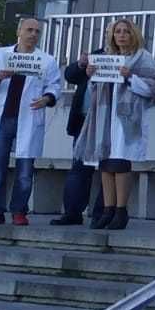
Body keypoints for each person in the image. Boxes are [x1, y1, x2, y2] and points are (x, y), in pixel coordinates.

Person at [72, 18, 155, 230]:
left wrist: (130, 77)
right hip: (104, 115)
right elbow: (95, 88)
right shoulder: (106, 58)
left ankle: (121, 211)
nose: (121, 35)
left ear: (134, 35)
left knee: (120, 162)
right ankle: (108, 209)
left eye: (126, 32)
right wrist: (91, 76)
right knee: (105, 163)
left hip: (126, 116)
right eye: (118, 31)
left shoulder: (143, 58)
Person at [0, 16, 64, 226]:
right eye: (29, 30)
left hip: (28, 117)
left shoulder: (46, 61)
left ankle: (19, 211)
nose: (33, 34)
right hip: (1, 118)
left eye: (37, 31)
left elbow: (55, 85)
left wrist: (48, 98)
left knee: (25, 169)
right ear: (19, 31)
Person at [52, 49, 106, 227]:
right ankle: (72, 213)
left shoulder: (128, 57)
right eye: (113, 32)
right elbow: (70, 75)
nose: (117, 36)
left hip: (108, 121)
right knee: (78, 168)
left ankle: (101, 214)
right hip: (83, 120)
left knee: (109, 170)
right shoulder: (97, 54)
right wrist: (81, 65)